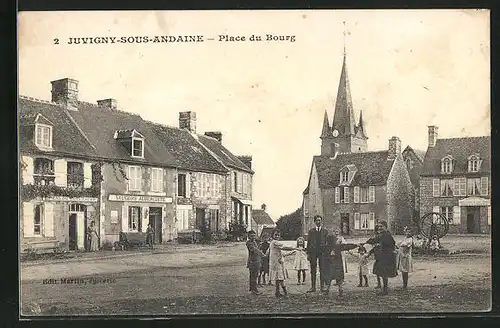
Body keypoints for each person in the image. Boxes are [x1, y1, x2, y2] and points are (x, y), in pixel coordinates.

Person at [362, 220, 397, 296]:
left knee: (384, 273)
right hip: (382, 256)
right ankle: (384, 288)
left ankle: (385, 290)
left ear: (386, 227)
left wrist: (372, 243)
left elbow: (389, 244)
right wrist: (366, 243)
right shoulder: (382, 235)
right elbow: (376, 241)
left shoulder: (387, 235)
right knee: (381, 272)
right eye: (379, 226)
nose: (380, 228)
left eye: (381, 226)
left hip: (387, 257)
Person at [267, 229, 297, 298]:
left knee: (278, 278)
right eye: (276, 235)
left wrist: (292, 252)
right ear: (272, 235)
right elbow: (284, 247)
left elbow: (282, 253)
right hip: (277, 263)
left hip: (277, 262)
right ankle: (285, 293)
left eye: (278, 235)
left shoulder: (274, 243)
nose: (277, 236)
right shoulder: (275, 242)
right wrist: (294, 248)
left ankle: (277, 292)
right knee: (281, 278)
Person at [306, 215, 329, 292]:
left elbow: (327, 243)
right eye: (317, 220)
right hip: (313, 253)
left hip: (322, 253)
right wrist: (308, 254)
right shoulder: (311, 231)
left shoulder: (325, 231)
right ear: (314, 222)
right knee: (313, 270)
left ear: (321, 221)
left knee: (322, 269)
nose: (318, 222)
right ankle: (313, 287)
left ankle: (322, 287)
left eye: (319, 220)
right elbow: (308, 243)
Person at [246, 230, 267, 295]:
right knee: (253, 276)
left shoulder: (254, 242)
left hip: (257, 261)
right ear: (248, 236)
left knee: (255, 275)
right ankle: (254, 290)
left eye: (254, 236)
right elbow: (255, 250)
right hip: (252, 262)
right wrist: (262, 254)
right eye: (252, 236)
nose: (253, 237)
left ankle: (252, 289)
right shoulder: (249, 243)